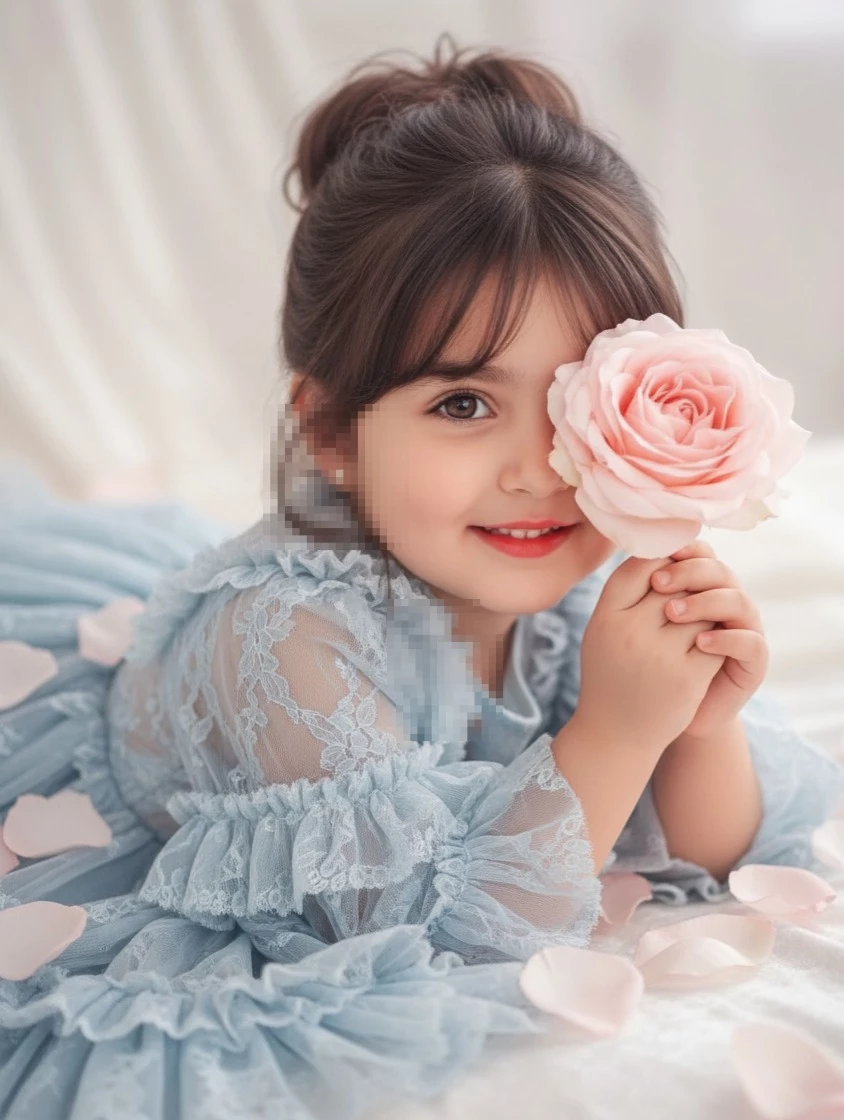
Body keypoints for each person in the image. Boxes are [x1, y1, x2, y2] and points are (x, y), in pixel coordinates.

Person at [0, 34, 841, 1120]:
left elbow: (714, 847)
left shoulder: (577, 577)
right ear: (333, 431)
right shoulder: (282, 644)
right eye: (460, 404)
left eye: (570, 397)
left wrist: (696, 722)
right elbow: (430, 923)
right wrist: (615, 734)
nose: (535, 469)